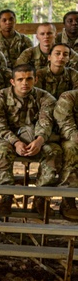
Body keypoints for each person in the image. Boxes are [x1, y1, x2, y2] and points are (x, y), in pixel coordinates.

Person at [0, 64, 62, 216]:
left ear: (36, 79)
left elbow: (46, 122)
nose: (25, 83)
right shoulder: (0, 97)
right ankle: (6, 197)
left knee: (54, 151)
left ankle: (41, 199)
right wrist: (15, 142)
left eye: (29, 79)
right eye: (20, 79)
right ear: (12, 81)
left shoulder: (45, 98)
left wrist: (39, 141)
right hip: (8, 139)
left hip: (37, 138)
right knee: (1, 150)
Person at [53, 87, 78, 221]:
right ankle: (68, 199)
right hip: (69, 139)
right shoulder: (68, 97)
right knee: (71, 148)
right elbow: (65, 125)